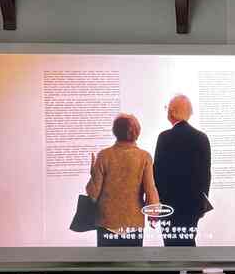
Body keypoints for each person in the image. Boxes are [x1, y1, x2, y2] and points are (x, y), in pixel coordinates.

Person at [86, 113, 159, 247]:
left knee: (107, 265)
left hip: (107, 221)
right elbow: (150, 189)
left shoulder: (104, 155)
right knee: (132, 265)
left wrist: (93, 174)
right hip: (134, 222)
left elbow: (93, 193)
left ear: (115, 131)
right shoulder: (144, 157)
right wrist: (153, 215)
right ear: (137, 132)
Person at [154, 94, 211, 247]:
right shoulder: (202, 138)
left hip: (168, 204)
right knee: (188, 242)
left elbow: (157, 174)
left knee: (171, 246)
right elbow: (206, 175)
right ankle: (190, 271)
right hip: (192, 204)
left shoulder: (164, 138)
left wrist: (156, 203)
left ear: (171, 112)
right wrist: (202, 203)